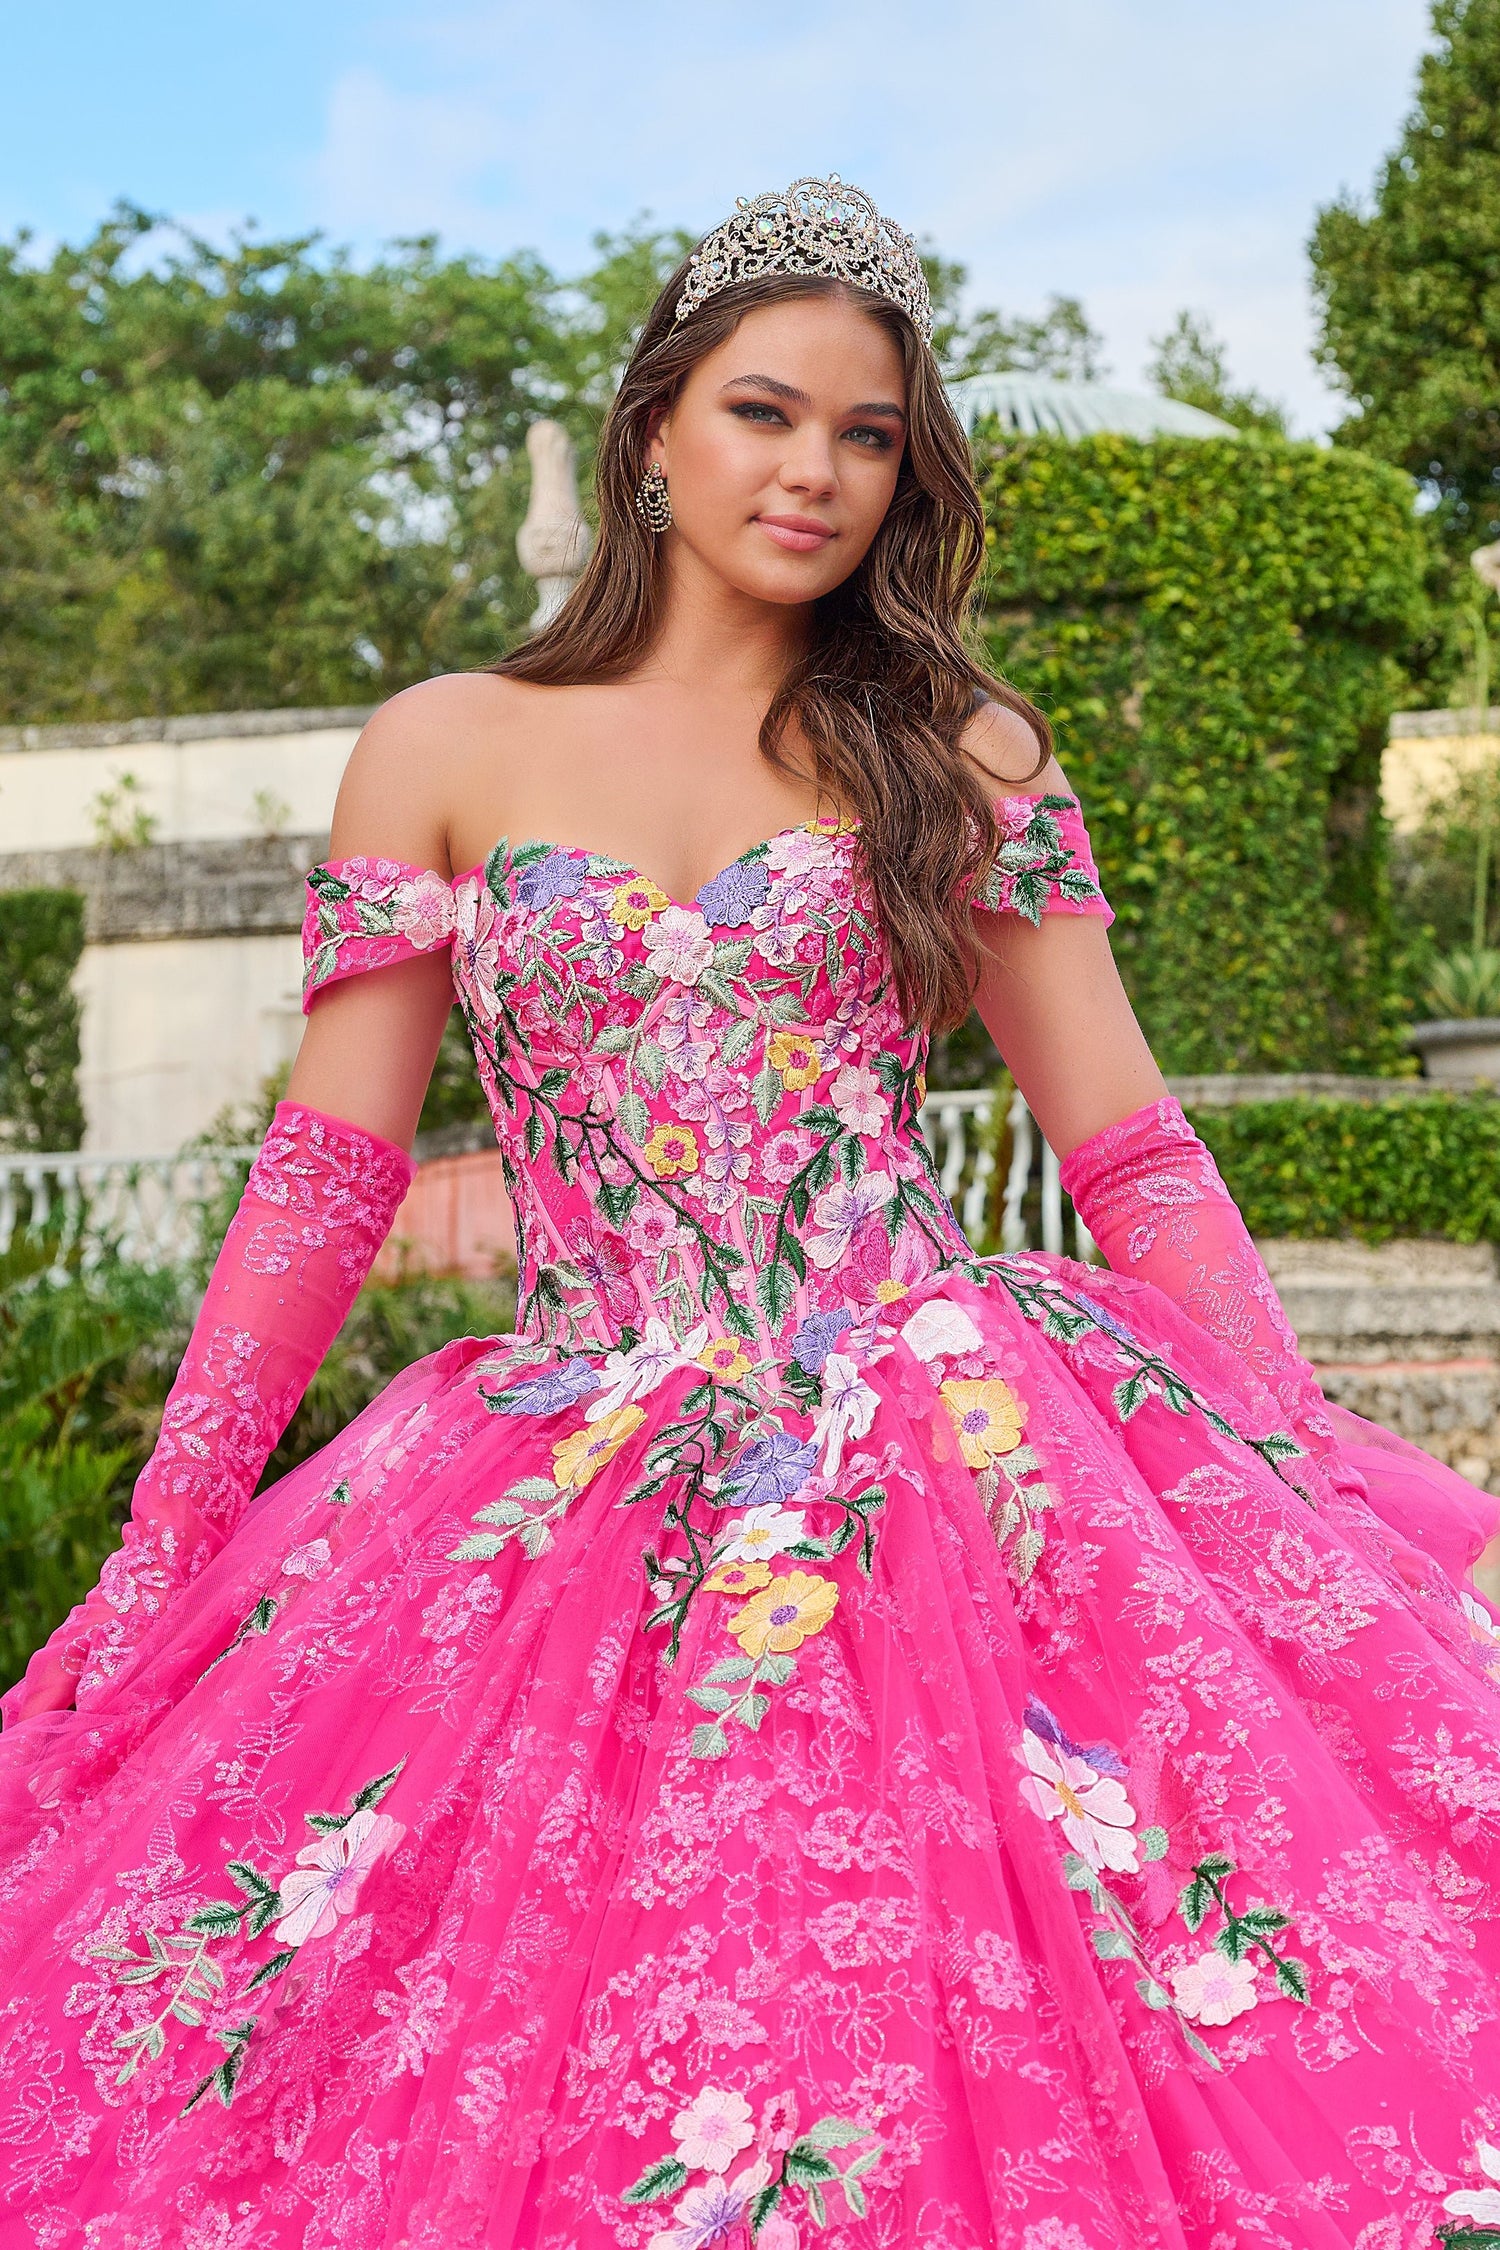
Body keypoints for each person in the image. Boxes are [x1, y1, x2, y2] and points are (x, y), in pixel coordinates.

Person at [0, 174, 1498, 2250]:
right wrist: (167, 1543)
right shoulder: (447, 744)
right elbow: (327, 1178)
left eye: (868, 435)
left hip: (939, 1464)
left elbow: (1129, 1147)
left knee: (961, 2042)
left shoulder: (959, 752)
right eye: (765, 413)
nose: (816, 471)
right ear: (653, 433)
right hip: (561, 1488)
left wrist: (1290, 1455)